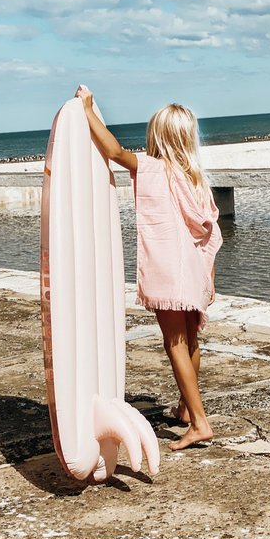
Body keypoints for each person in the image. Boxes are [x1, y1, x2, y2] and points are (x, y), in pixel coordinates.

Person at [75, 85, 223, 451]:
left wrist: (88, 110)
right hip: (193, 271)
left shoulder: (153, 167)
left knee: (174, 344)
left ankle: (200, 423)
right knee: (189, 339)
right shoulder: (195, 178)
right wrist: (210, 280)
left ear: (158, 135)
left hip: (168, 270)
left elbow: (112, 151)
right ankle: (186, 409)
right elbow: (210, 234)